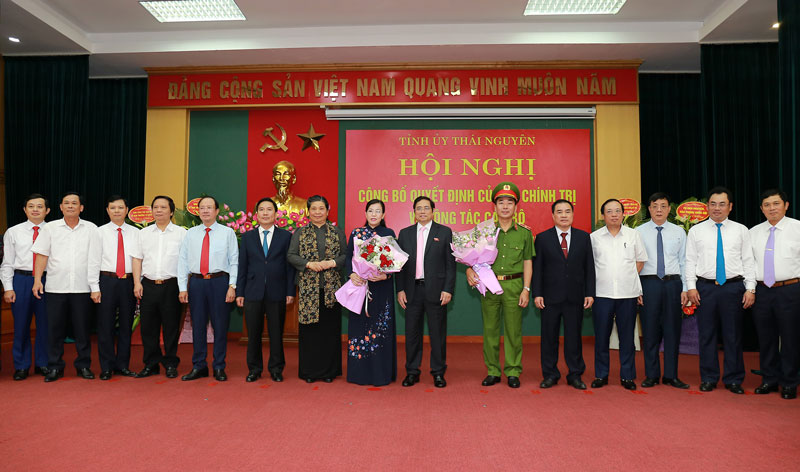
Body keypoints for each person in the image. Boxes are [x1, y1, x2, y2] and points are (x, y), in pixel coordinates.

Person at [686, 186, 756, 394]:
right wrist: (691, 287)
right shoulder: (696, 231)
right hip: (705, 288)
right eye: (713, 204)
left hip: (733, 288)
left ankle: (733, 379)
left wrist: (750, 289)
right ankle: (709, 378)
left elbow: (748, 260)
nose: (717, 208)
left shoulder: (741, 230)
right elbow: (690, 260)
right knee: (707, 335)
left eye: (722, 204)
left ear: (730, 206)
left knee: (733, 335)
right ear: (707, 206)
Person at [466, 182, 532, 388]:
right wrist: (468, 270)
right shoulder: (484, 232)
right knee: (490, 330)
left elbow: (528, 262)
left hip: (514, 286)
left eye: (509, 202)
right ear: (494, 206)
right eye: (501, 202)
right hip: (489, 285)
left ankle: (513, 371)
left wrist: (526, 289)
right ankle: (493, 371)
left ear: (516, 207)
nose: (505, 206)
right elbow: (472, 259)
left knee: (513, 331)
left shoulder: (524, 233)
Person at [31, 192, 98, 382]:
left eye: (74, 203)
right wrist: (37, 280)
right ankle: (55, 367)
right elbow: (41, 255)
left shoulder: (91, 229)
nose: (70, 206)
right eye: (66, 203)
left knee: (82, 330)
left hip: (82, 287)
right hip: (55, 287)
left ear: (81, 208)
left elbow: (95, 259)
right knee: (55, 330)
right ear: (61, 207)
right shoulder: (50, 228)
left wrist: (95, 286)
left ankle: (83, 365)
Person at [533, 199, 595, 390]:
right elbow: (538, 269)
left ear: (573, 215)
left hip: (575, 297)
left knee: (574, 338)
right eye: (559, 212)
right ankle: (550, 374)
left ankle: (575, 374)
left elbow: (589, 268)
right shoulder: (542, 238)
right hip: (549, 298)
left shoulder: (584, 237)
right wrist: (537, 293)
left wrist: (590, 293)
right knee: (549, 338)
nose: (564, 215)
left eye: (567, 211)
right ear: (553, 216)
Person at [396, 196, 456, 388]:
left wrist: (448, 289)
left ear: (433, 211)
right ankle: (412, 372)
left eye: (426, 208)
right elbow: (399, 266)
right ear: (414, 212)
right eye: (419, 208)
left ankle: (438, 372)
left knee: (437, 334)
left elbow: (450, 265)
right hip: (411, 291)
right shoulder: (404, 234)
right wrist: (400, 289)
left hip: (436, 291)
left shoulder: (444, 232)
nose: (422, 211)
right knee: (412, 334)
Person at [177, 195, 239, 381]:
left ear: (217, 211)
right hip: (196, 283)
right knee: (198, 325)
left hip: (219, 282)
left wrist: (232, 286)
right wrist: (182, 287)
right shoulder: (190, 234)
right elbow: (183, 261)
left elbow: (234, 261)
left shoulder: (227, 233)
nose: (205, 210)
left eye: (209, 207)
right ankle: (199, 366)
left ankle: (219, 366)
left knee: (220, 326)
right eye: (202, 207)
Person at [590, 198, 648, 390]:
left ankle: (627, 376)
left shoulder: (633, 235)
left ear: (623, 214)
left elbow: (640, 261)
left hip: (627, 294)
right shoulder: (594, 237)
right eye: (609, 211)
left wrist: (627, 277)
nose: (614, 214)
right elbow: (590, 265)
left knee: (627, 337)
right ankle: (601, 375)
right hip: (602, 294)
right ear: (603, 215)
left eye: (617, 211)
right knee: (601, 337)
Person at [236, 197, 295, 383]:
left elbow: (289, 268)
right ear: (256, 214)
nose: (265, 213)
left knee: (276, 333)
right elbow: (242, 267)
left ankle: (276, 369)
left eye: (269, 209)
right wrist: (240, 292)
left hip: (277, 291)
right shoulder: (247, 237)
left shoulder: (286, 236)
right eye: (261, 209)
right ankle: (254, 369)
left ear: (276, 214)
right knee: (253, 334)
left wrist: (290, 291)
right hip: (252, 291)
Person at [288, 195, 346, 382]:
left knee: (330, 330)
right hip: (308, 289)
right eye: (314, 209)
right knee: (310, 331)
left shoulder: (337, 232)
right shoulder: (300, 232)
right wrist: (308, 264)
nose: (318, 212)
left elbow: (345, 256)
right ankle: (310, 372)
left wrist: (332, 262)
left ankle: (329, 372)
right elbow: (291, 255)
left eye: (321, 208)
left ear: (328, 211)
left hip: (332, 289)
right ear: (308, 211)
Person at [636, 192, 690, 389]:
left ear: (669, 209)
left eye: (663, 206)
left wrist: (685, 288)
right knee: (650, 330)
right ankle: (651, 375)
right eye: (655, 206)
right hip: (648, 283)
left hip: (673, 284)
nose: (659, 210)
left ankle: (671, 375)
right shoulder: (638, 232)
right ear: (649, 209)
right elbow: (634, 263)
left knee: (672, 330)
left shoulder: (679, 232)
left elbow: (684, 261)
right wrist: (637, 289)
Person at [749, 189, 800, 399]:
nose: (772, 208)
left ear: (786, 205)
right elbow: (749, 264)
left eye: (776, 203)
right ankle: (769, 379)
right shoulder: (753, 232)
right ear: (761, 209)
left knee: (790, 338)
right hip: (762, 291)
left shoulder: (797, 228)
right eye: (767, 205)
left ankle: (789, 382)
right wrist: (751, 289)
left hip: (790, 289)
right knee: (766, 338)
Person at [132, 195, 187, 379]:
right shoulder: (143, 233)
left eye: (163, 207)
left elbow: (186, 262)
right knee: (148, 328)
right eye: (156, 207)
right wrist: (137, 282)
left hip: (171, 285)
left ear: (171, 212)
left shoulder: (181, 233)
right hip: (148, 285)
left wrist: (183, 287)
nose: (159, 210)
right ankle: (151, 364)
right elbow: (137, 259)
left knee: (171, 327)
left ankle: (170, 363)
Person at [344, 199, 397, 386]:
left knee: (380, 330)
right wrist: (351, 274)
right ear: (365, 213)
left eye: (378, 211)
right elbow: (348, 258)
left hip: (381, 289)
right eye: (370, 211)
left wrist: (385, 275)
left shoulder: (389, 234)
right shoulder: (357, 233)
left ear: (383, 215)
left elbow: (394, 263)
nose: (374, 214)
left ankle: (381, 374)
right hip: (360, 287)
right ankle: (359, 374)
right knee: (359, 329)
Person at [88, 195, 142, 380]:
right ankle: (106, 367)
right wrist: (94, 287)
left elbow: (139, 259)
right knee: (105, 326)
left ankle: (123, 365)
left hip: (128, 282)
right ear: (107, 210)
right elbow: (93, 260)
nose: (117, 211)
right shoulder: (99, 232)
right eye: (113, 208)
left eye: (120, 207)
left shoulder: (136, 233)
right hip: (107, 281)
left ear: (126, 210)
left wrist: (138, 282)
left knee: (126, 325)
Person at [1, 194, 50, 380]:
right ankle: (21, 365)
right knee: (21, 325)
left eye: (39, 206)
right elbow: (7, 263)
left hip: (47, 280)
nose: (35, 209)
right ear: (24, 209)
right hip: (21, 280)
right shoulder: (13, 232)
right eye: (31, 206)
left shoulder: (53, 231)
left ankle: (43, 363)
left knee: (45, 325)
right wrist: (8, 287)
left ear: (47, 210)